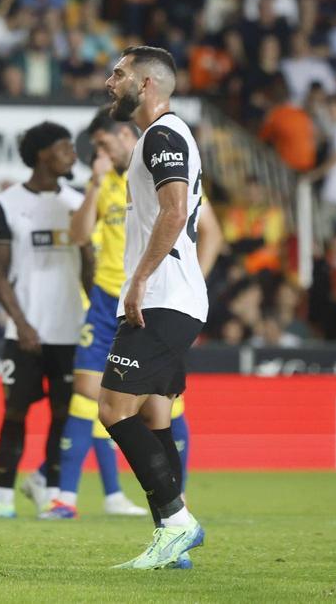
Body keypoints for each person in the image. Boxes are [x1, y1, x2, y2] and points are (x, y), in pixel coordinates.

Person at [43, 108, 224, 521]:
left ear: (125, 135)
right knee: (102, 396)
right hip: (111, 299)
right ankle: (78, 498)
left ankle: (173, 508)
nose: (99, 153)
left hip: (157, 297)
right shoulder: (110, 183)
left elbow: (207, 227)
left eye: (103, 144)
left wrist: (193, 278)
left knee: (153, 406)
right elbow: (79, 236)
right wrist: (94, 180)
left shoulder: (167, 173)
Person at [99, 45, 207, 569]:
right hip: (176, 297)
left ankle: (178, 521)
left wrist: (138, 280)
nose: (108, 82)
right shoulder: (160, 137)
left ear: (146, 84)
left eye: (117, 74)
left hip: (161, 298)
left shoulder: (162, 134)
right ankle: (171, 542)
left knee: (112, 409)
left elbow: (174, 209)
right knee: (154, 415)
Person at [0, 122, 90, 520]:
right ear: (41, 154)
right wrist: (22, 322)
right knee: (15, 412)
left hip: (71, 328)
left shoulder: (78, 202)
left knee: (64, 413)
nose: (73, 154)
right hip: (25, 331)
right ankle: (1, 499)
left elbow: (89, 266)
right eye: (65, 147)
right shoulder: (7, 204)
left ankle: (50, 490)